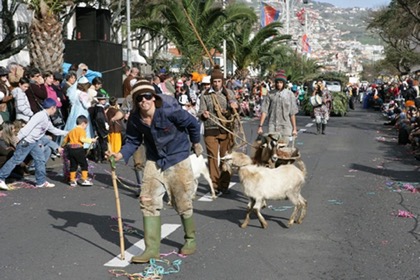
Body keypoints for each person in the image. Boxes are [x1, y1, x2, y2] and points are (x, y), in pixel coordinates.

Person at [109, 79, 202, 263]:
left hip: (177, 156)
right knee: (147, 199)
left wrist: (196, 142)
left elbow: (192, 123)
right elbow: (133, 141)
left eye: (148, 96)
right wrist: (119, 155)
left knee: (181, 200)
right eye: (139, 98)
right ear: (135, 101)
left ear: (154, 97)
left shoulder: (169, 110)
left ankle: (190, 239)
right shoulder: (136, 118)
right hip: (155, 159)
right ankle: (151, 249)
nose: (144, 100)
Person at [0, 98, 68, 190]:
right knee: (16, 160)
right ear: (53, 108)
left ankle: (41, 181)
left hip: (34, 142)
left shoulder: (46, 117)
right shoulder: (40, 116)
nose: (55, 110)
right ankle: (1, 177)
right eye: (55, 108)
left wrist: (67, 133)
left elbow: (53, 130)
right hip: (27, 141)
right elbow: (28, 127)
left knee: (40, 160)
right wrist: (18, 138)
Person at [198, 65, 238, 194]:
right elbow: (200, 111)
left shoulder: (229, 93)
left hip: (225, 130)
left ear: (222, 81)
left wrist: (232, 108)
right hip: (210, 129)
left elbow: (236, 112)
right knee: (212, 158)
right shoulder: (205, 95)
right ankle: (214, 185)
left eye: (218, 81)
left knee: (225, 158)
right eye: (214, 81)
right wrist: (203, 115)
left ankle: (224, 184)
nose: (216, 84)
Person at [258, 70, 298, 142]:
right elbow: (264, 111)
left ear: (284, 83)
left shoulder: (289, 94)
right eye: (278, 82)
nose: (279, 84)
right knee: (272, 149)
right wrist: (260, 126)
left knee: (283, 149)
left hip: (285, 127)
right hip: (272, 126)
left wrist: (294, 129)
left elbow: (292, 113)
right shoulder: (270, 94)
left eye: (281, 82)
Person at [62, 115, 97, 187]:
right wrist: (91, 140)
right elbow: (82, 139)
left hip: (71, 149)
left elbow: (65, 141)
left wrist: (62, 146)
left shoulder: (71, 131)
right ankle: (84, 179)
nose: (85, 128)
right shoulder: (81, 130)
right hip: (79, 149)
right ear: (83, 123)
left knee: (73, 165)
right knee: (84, 164)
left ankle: (72, 180)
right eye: (86, 126)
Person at [89, 92, 109, 162]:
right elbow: (100, 119)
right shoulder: (99, 109)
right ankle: (103, 157)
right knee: (103, 143)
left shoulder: (97, 108)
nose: (104, 101)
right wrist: (105, 126)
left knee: (100, 143)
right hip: (101, 128)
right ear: (99, 100)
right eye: (102, 99)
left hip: (98, 128)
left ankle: (99, 157)